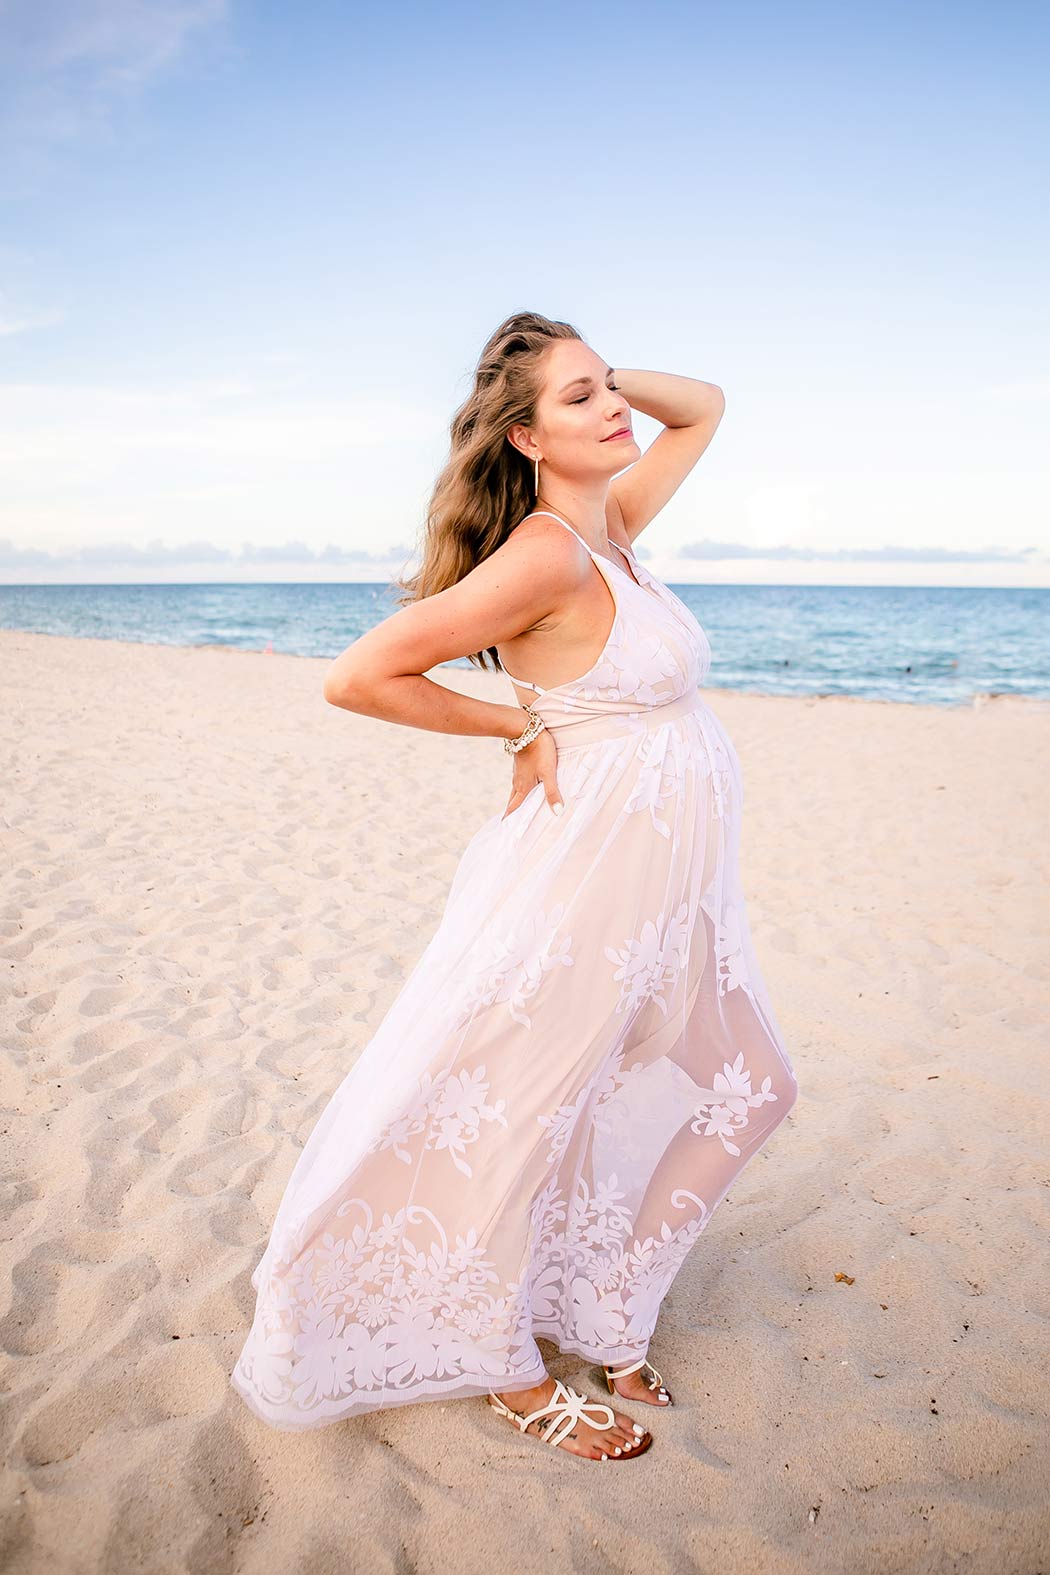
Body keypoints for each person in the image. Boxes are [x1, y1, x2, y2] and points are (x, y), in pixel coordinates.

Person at [229, 311, 799, 1464]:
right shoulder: (545, 552)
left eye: (608, 391)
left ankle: (611, 1315)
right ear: (529, 440)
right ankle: (508, 1368)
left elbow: (707, 404)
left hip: (670, 889)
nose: (616, 412)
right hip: (583, 876)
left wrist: (581, 376)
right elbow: (361, 673)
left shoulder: (618, 527)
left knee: (751, 1085)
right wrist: (509, 724)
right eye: (581, 402)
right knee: (528, 1109)